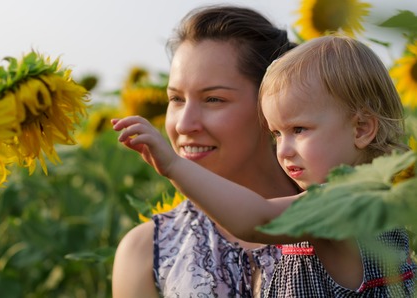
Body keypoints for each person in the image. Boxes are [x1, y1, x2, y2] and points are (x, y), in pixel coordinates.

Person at [113, 35, 416, 296]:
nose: (283, 150)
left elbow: (257, 219)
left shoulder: (345, 203)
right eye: (276, 133)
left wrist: (174, 166)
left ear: (361, 129)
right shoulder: (381, 197)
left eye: (299, 130)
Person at [111, 4, 299, 298]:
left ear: (273, 105)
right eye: (176, 99)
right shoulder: (145, 253)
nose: (185, 124)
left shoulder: (340, 211)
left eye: (213, 99)